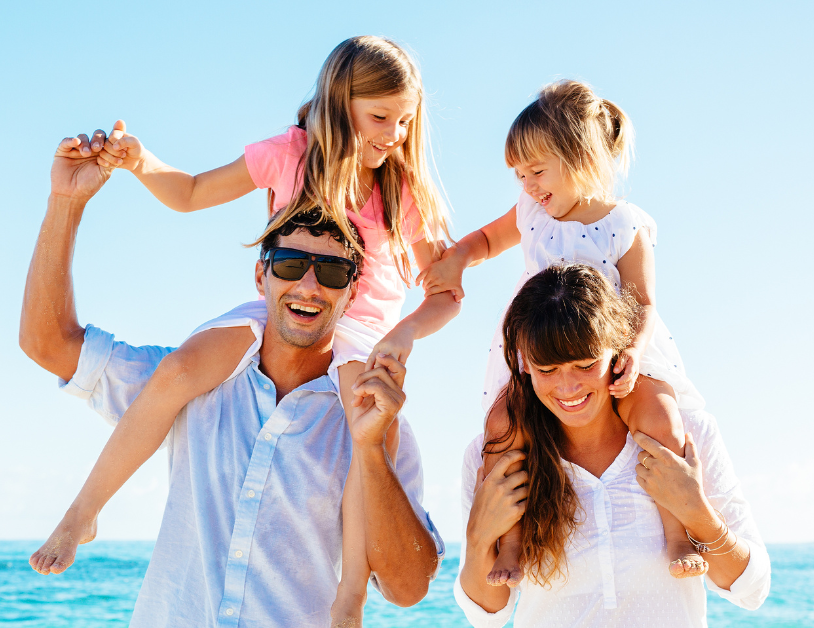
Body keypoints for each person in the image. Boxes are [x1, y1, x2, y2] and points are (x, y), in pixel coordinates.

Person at [65, 35, 458, 625]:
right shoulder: (289, 155)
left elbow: (446, 294)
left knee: (363, 436)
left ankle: (349, 594)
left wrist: (402, 337)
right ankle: (83, 513)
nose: (394, 134)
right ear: (338, 102)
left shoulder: (397, 191)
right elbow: (193, 192)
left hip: (358, 336)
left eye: (405, 121)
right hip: (278, 310)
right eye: (380, 117)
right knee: (177, 371)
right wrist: (141, 163)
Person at [419, 80, 706, 585]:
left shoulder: (623, 224)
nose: (527, 185)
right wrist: (459, 259)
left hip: (612, 354)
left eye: (536, 171)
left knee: (661, 418)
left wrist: (634, 355)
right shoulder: (531, 213)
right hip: (542, 352)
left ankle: (679, 532)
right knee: (505, 429)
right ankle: (508, 543)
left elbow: (642, 300)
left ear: (580, 156)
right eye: (519, 175)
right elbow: (488, 238)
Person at [454, 264, 770, 627]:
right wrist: (479, 538)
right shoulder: (497, 449)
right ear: (525, 360)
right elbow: (486, 616)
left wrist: (697, 513)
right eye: (547, 370)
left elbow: (752, 590)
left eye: (586, 365)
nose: (568, 387)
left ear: (617, 346)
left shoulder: (686, 433)